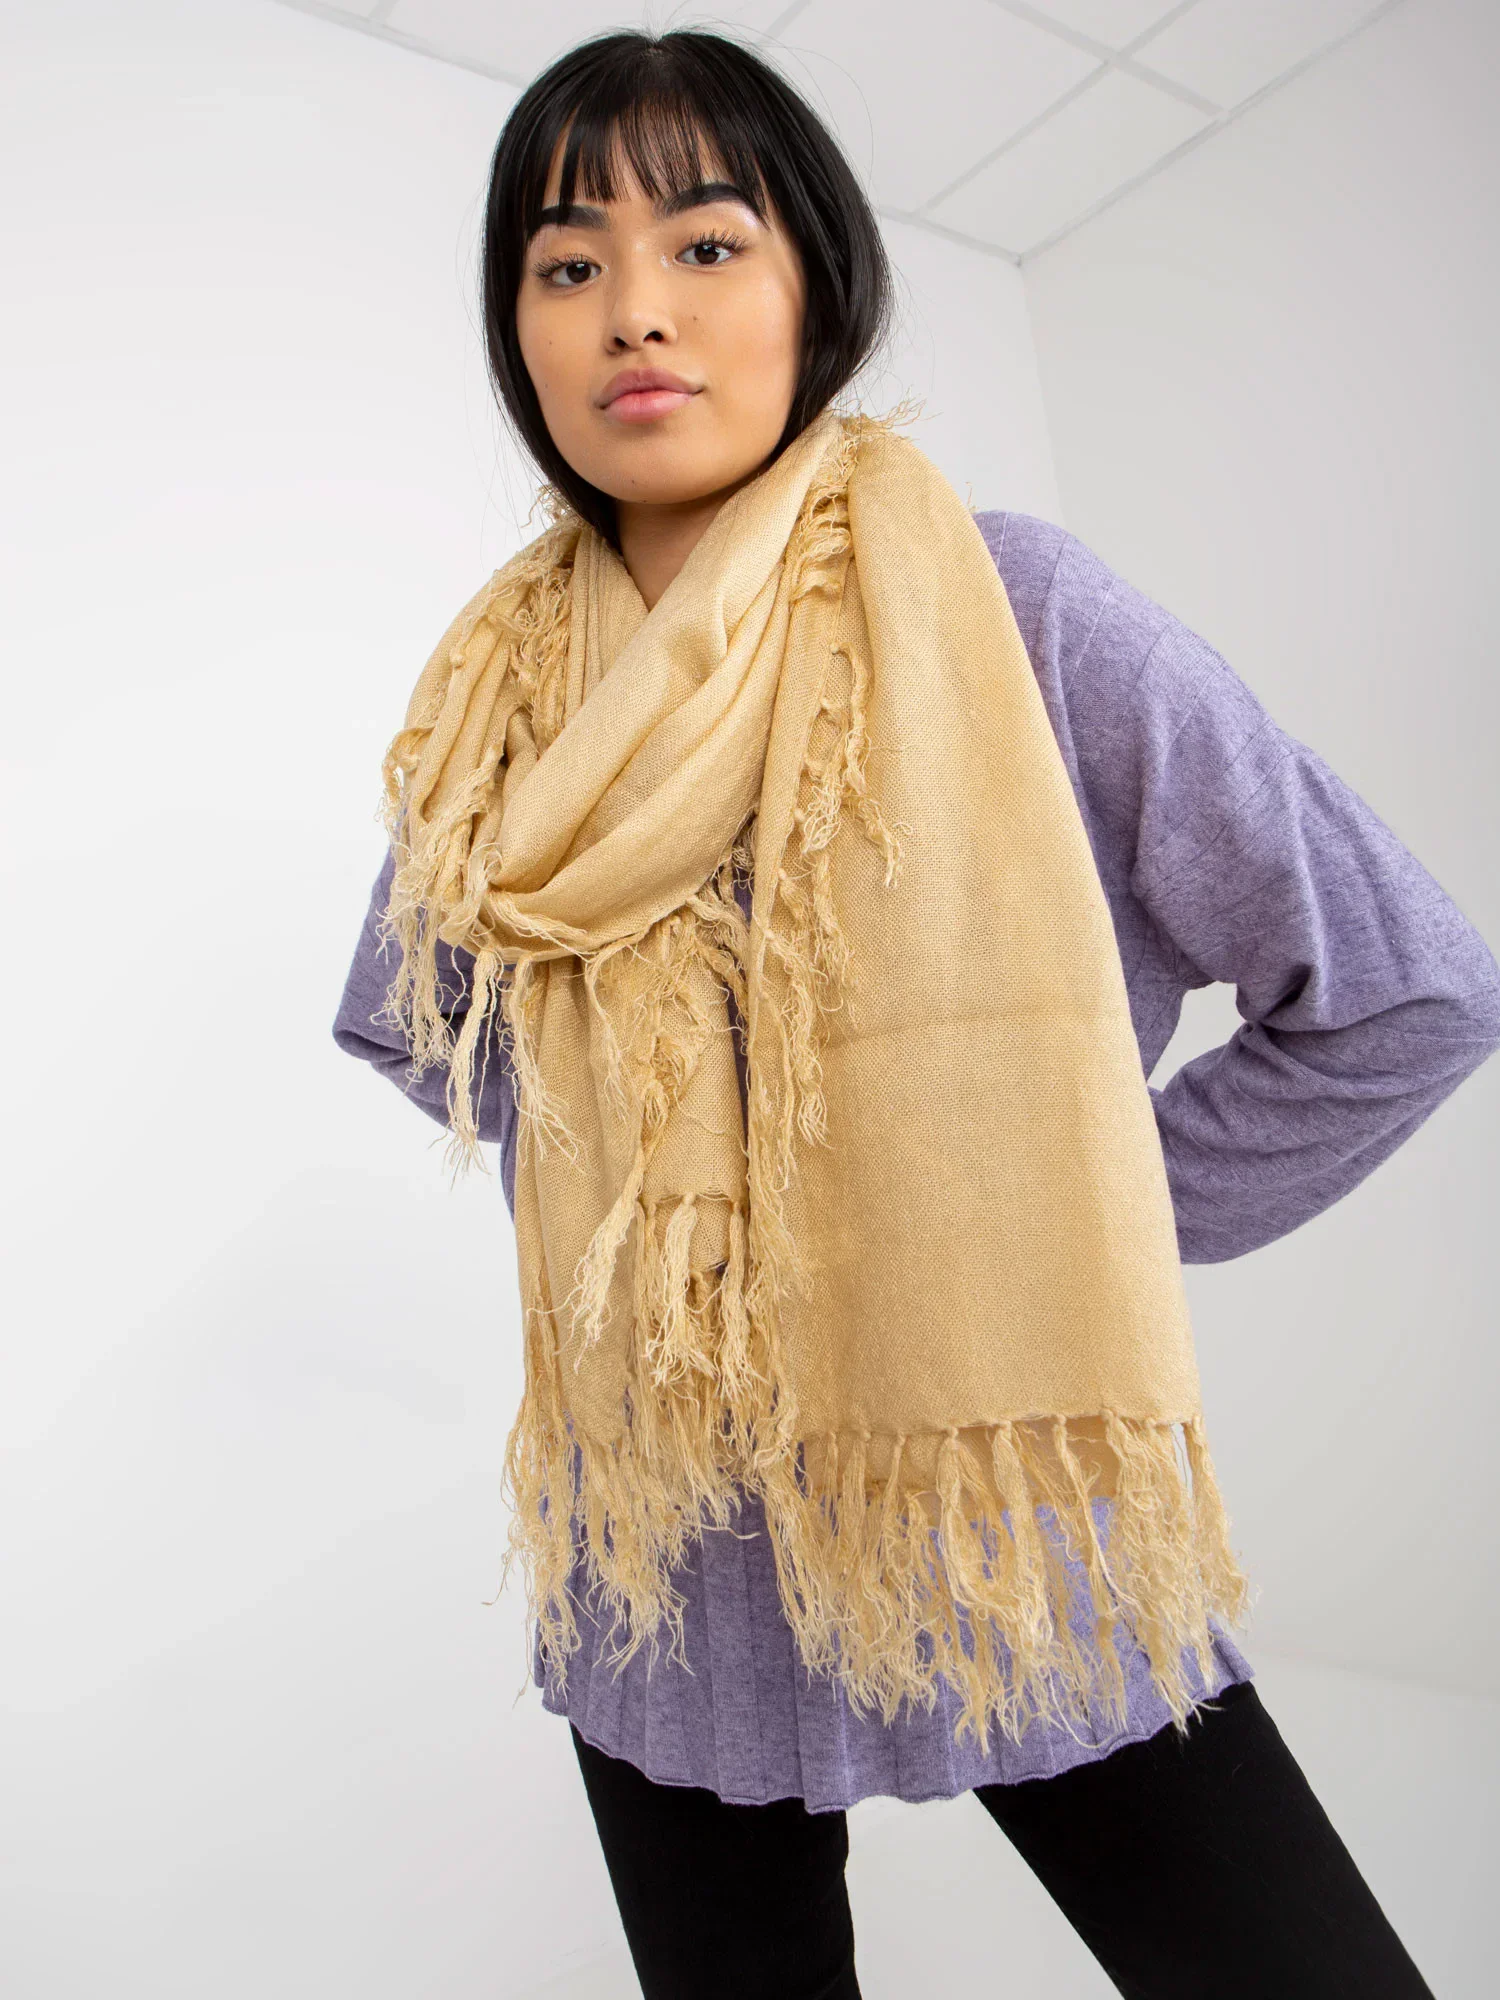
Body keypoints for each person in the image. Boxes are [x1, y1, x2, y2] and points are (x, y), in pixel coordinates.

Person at [331, 28, 1498, 1999]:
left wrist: (1060, 1202)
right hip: (665, 1560)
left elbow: (1407, 991)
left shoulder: (1020, 614)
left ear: (819, 282)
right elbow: (409, 1017)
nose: (634, 310)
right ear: (519, 334)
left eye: (707, 244)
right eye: (566, 262)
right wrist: (668, 1233)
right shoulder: (501, 701)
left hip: (1003, 1500)